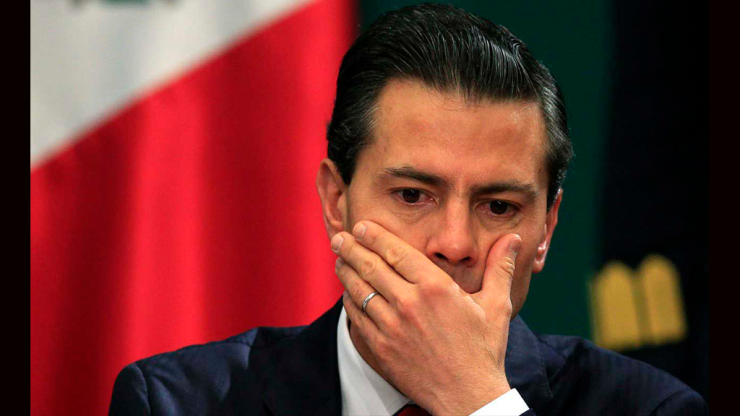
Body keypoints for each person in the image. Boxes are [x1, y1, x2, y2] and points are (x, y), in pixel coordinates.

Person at [109, 4, 707, 415]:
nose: (455, 243)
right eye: (413, 196)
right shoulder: (176, 403)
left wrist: (477, 401)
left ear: (546, 229)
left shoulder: (650, 407)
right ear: (337, 202)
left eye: (498, 206)